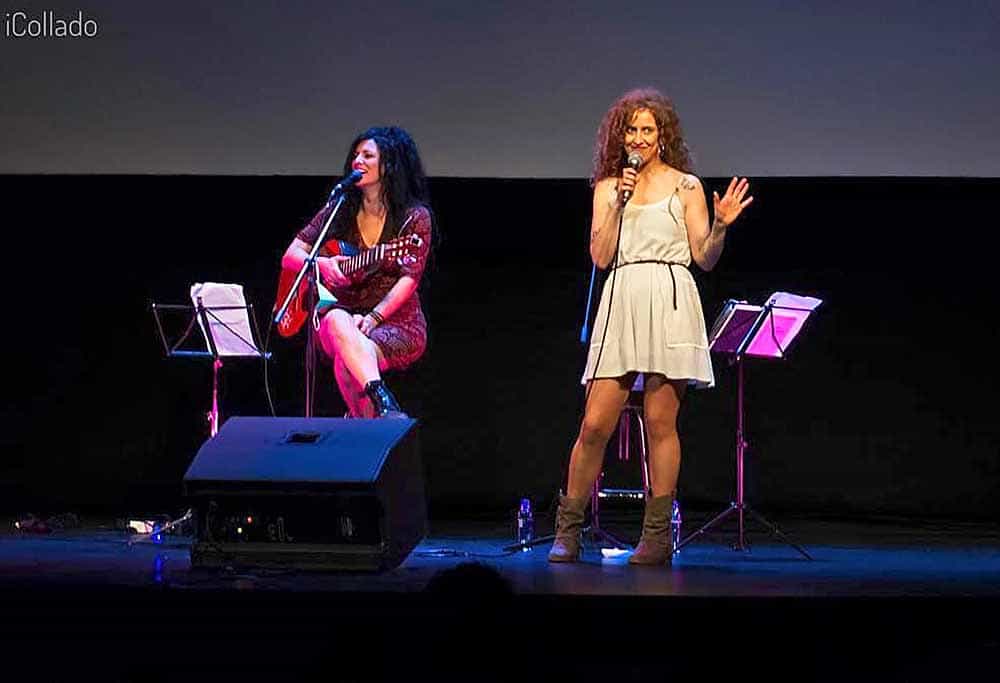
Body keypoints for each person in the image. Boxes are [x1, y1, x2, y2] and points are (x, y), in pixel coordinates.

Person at [548, 88, 753, 565]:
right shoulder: (606, 188)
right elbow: (600, 256)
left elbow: (704, 257)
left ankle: (656, 537)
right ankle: (568, 529)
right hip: (622, 297)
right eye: (632, 130)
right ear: (620, 137)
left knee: (661, 423)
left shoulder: (687, 186)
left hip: (670, 297)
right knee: (595, 422)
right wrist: (619, 203)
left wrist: (721, 226)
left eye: (648, 130)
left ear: (663, 136)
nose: (639, 138)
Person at [281, 126, 433, 418]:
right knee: (338, 321)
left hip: (395, 322)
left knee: (347, 361)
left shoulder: (415, 218)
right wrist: (321, 264)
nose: (357, 161)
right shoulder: (339, 209)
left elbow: (409, 278)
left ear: (389, 165)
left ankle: (369, 427)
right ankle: (384, 403)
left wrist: (374, 317)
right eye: (355, 155)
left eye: (368, 155)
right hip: (341, 319)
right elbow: (291, 256)